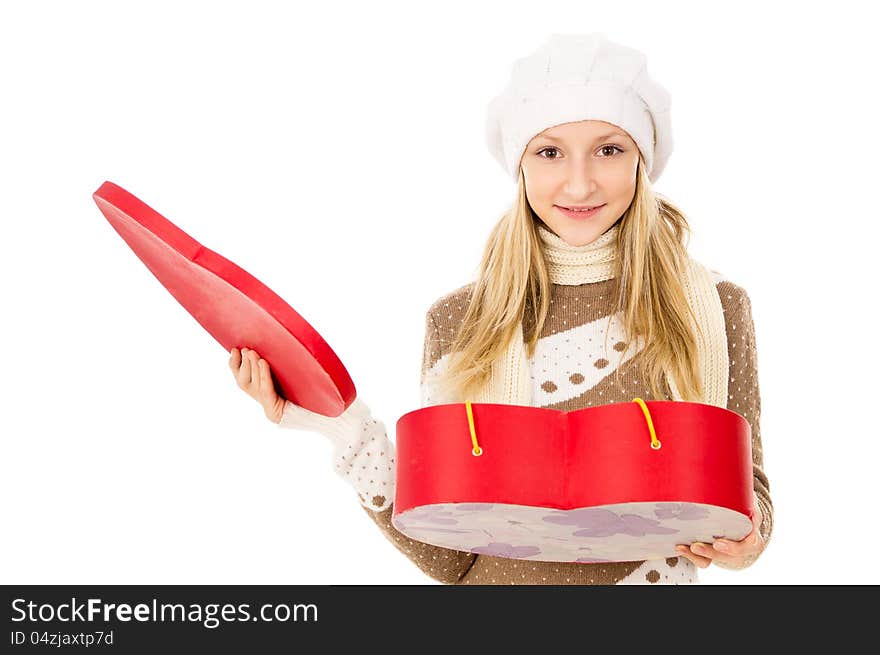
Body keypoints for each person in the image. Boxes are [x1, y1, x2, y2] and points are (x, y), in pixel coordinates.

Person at [228, 33, 773, 584]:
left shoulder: (714, 308)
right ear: (521, 166)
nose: (580, 183)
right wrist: (343, 430)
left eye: (609, 149)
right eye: (550, 151)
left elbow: (752, 501)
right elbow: (450, 555)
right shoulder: (459, 321)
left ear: (642, 160)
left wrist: (742, 541)